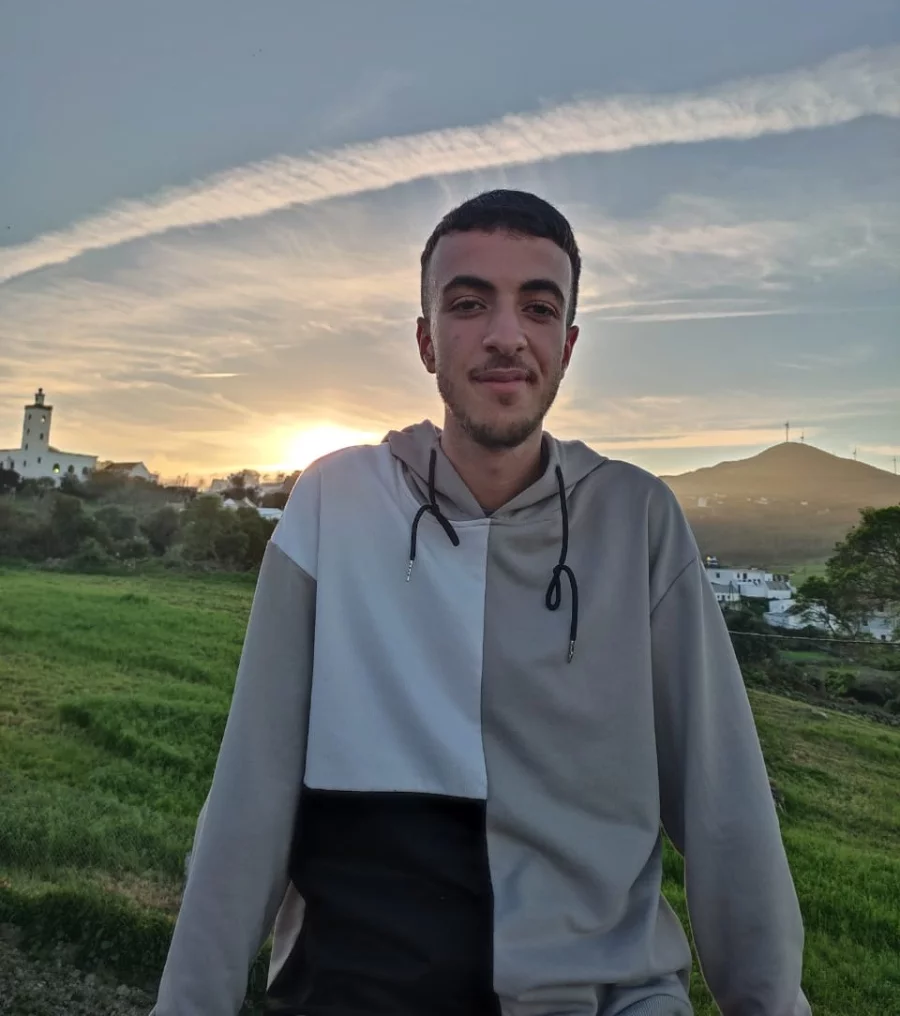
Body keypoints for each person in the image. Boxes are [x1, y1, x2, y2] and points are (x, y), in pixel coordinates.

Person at [151, 190, 811, 1016]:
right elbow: (252, 790)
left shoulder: (636, 519)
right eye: (469, 304)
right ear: (426, 339)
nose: (506, 335)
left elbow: (724, 806)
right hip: (358, 990)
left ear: (567, 344)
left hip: (604, 998)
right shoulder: (335, 503)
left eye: (538, 307)